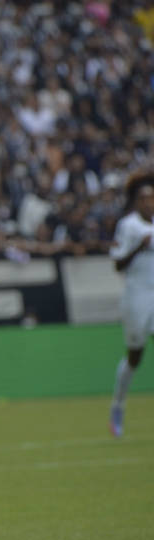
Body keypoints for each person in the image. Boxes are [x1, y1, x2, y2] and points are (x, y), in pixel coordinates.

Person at [108, 170, 154, 437]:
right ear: (136, 202)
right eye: (144, 198)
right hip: (137, 296)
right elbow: (117, 264)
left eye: (152, 198)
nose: (148, 203)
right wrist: (139, 247)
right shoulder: (129, 226)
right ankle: (118, 404)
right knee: (135, 356)